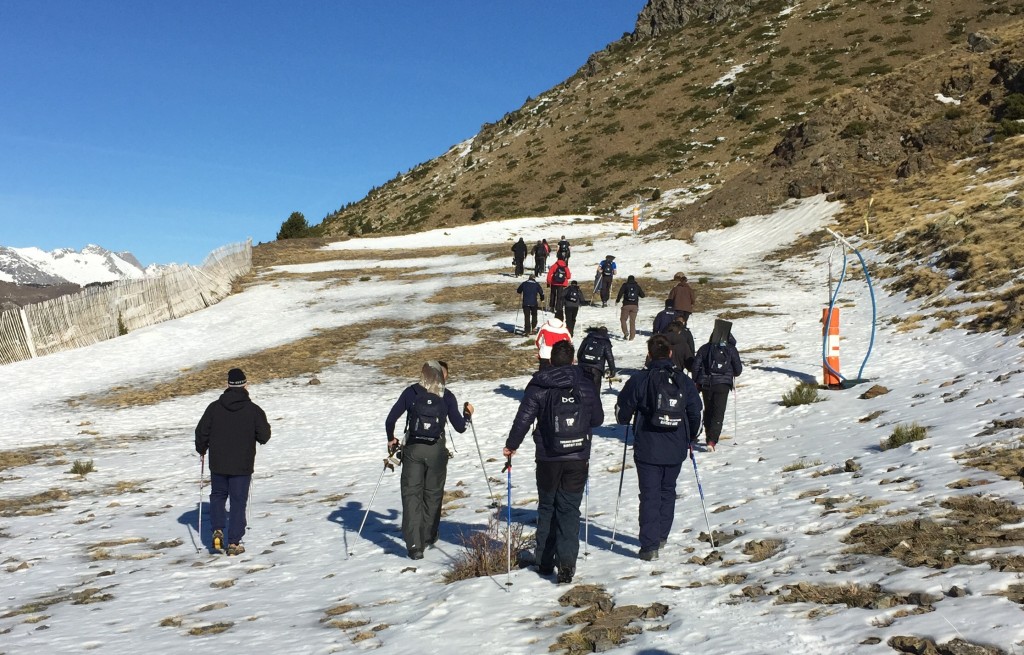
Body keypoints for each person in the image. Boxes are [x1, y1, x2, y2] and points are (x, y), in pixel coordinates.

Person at [504, 340, 603, 584]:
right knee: (569, 509)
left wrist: (512, 445)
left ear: (550, 359)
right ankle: (567, 565)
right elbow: (598, 419)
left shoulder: (540, 383)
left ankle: (545, 562)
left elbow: (524, 418)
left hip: (548, 456)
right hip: (578, 456)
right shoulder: (586, 383)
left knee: (547, 506)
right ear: (573, 360)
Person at [615, 335, 701, 561]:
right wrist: (691, 436)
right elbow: (695, 411)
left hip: (648, 447)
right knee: (667, 491)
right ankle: (661, 536)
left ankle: (650, 545)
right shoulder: (683, 380)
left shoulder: (640, 379)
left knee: (650, 495)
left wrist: (625, 417)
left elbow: (623, 413)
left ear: (649, 354)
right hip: (675, 447)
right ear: (670, 354)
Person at [385, 361, 474, 559]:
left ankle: (415, 546)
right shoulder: (447, 396)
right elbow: (460, 427)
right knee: (433, 494)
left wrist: (391, 439)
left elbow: (390, 419)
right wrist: (468, 415)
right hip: (436, 450)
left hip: (413, 450)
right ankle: (428, 535)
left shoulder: (411, 392)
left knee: (411, 495)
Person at [195, 368, 272, 556]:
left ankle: (218, 529)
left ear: (227, 385)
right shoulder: (253, 410)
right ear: (245, 385)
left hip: (219, 463)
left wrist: (202, 448)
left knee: (218, 496)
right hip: (242, 465)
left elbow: (201, 431)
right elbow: (264, 435)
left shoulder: (214, 408)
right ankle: (234, 542)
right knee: (238, 501)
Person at [692, 334, 743, 452]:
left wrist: (696, 381)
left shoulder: (705, 348)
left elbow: (695, 366)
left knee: (708, 410)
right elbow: (738, 370)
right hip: (723, 385)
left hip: (706, 384)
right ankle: (712, 440)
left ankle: (708, 435)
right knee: (718, 413)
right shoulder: (731, 349)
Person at [576, 326, 616, 391]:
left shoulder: (588, 339)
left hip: (583, 367)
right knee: (595, 392)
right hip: (596, 370)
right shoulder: (606, 342)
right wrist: (612, 370)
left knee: (582, 389)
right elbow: (610, 358)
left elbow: (579, 353)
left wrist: (580, 364)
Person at [615, 274, 646, 341]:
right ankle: (632, 337)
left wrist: (617, 300)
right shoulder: (637, 286)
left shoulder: (625, 285)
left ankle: (625, 332)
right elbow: (643, 295)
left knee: (623, 319)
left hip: (626, 305)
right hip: (634, 306)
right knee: (632, 321)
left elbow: (620, 293)